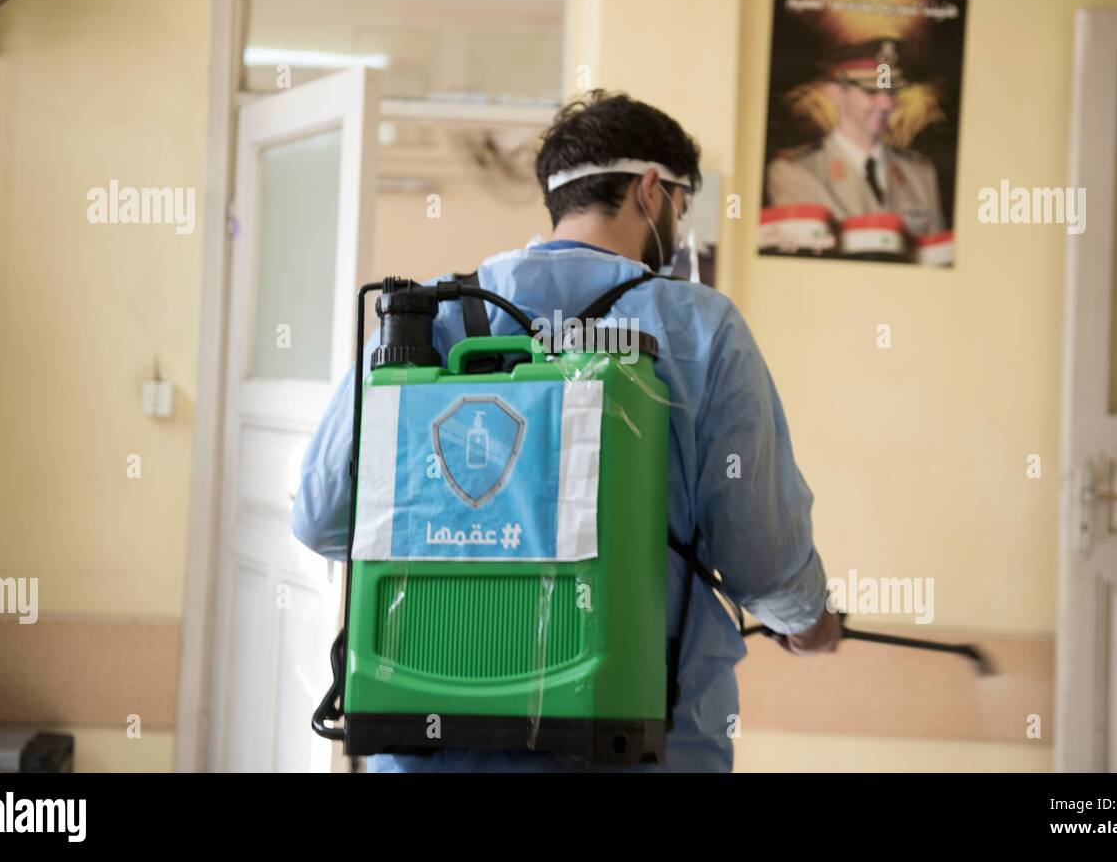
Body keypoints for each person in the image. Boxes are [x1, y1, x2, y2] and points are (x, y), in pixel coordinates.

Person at [292, 89, 840, 772]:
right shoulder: (701, 328)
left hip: (432, 743)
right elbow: (763, 556)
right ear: (650, 191)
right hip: (637, 741)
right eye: (681, 202)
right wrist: (811, 622)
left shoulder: (430, 315)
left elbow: (320, 518)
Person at [764, 38, 945, 253]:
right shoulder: (794, 172)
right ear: (836, 93)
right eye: (871, 92)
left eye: (891, 92)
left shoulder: (920, 174)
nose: (886, 104)